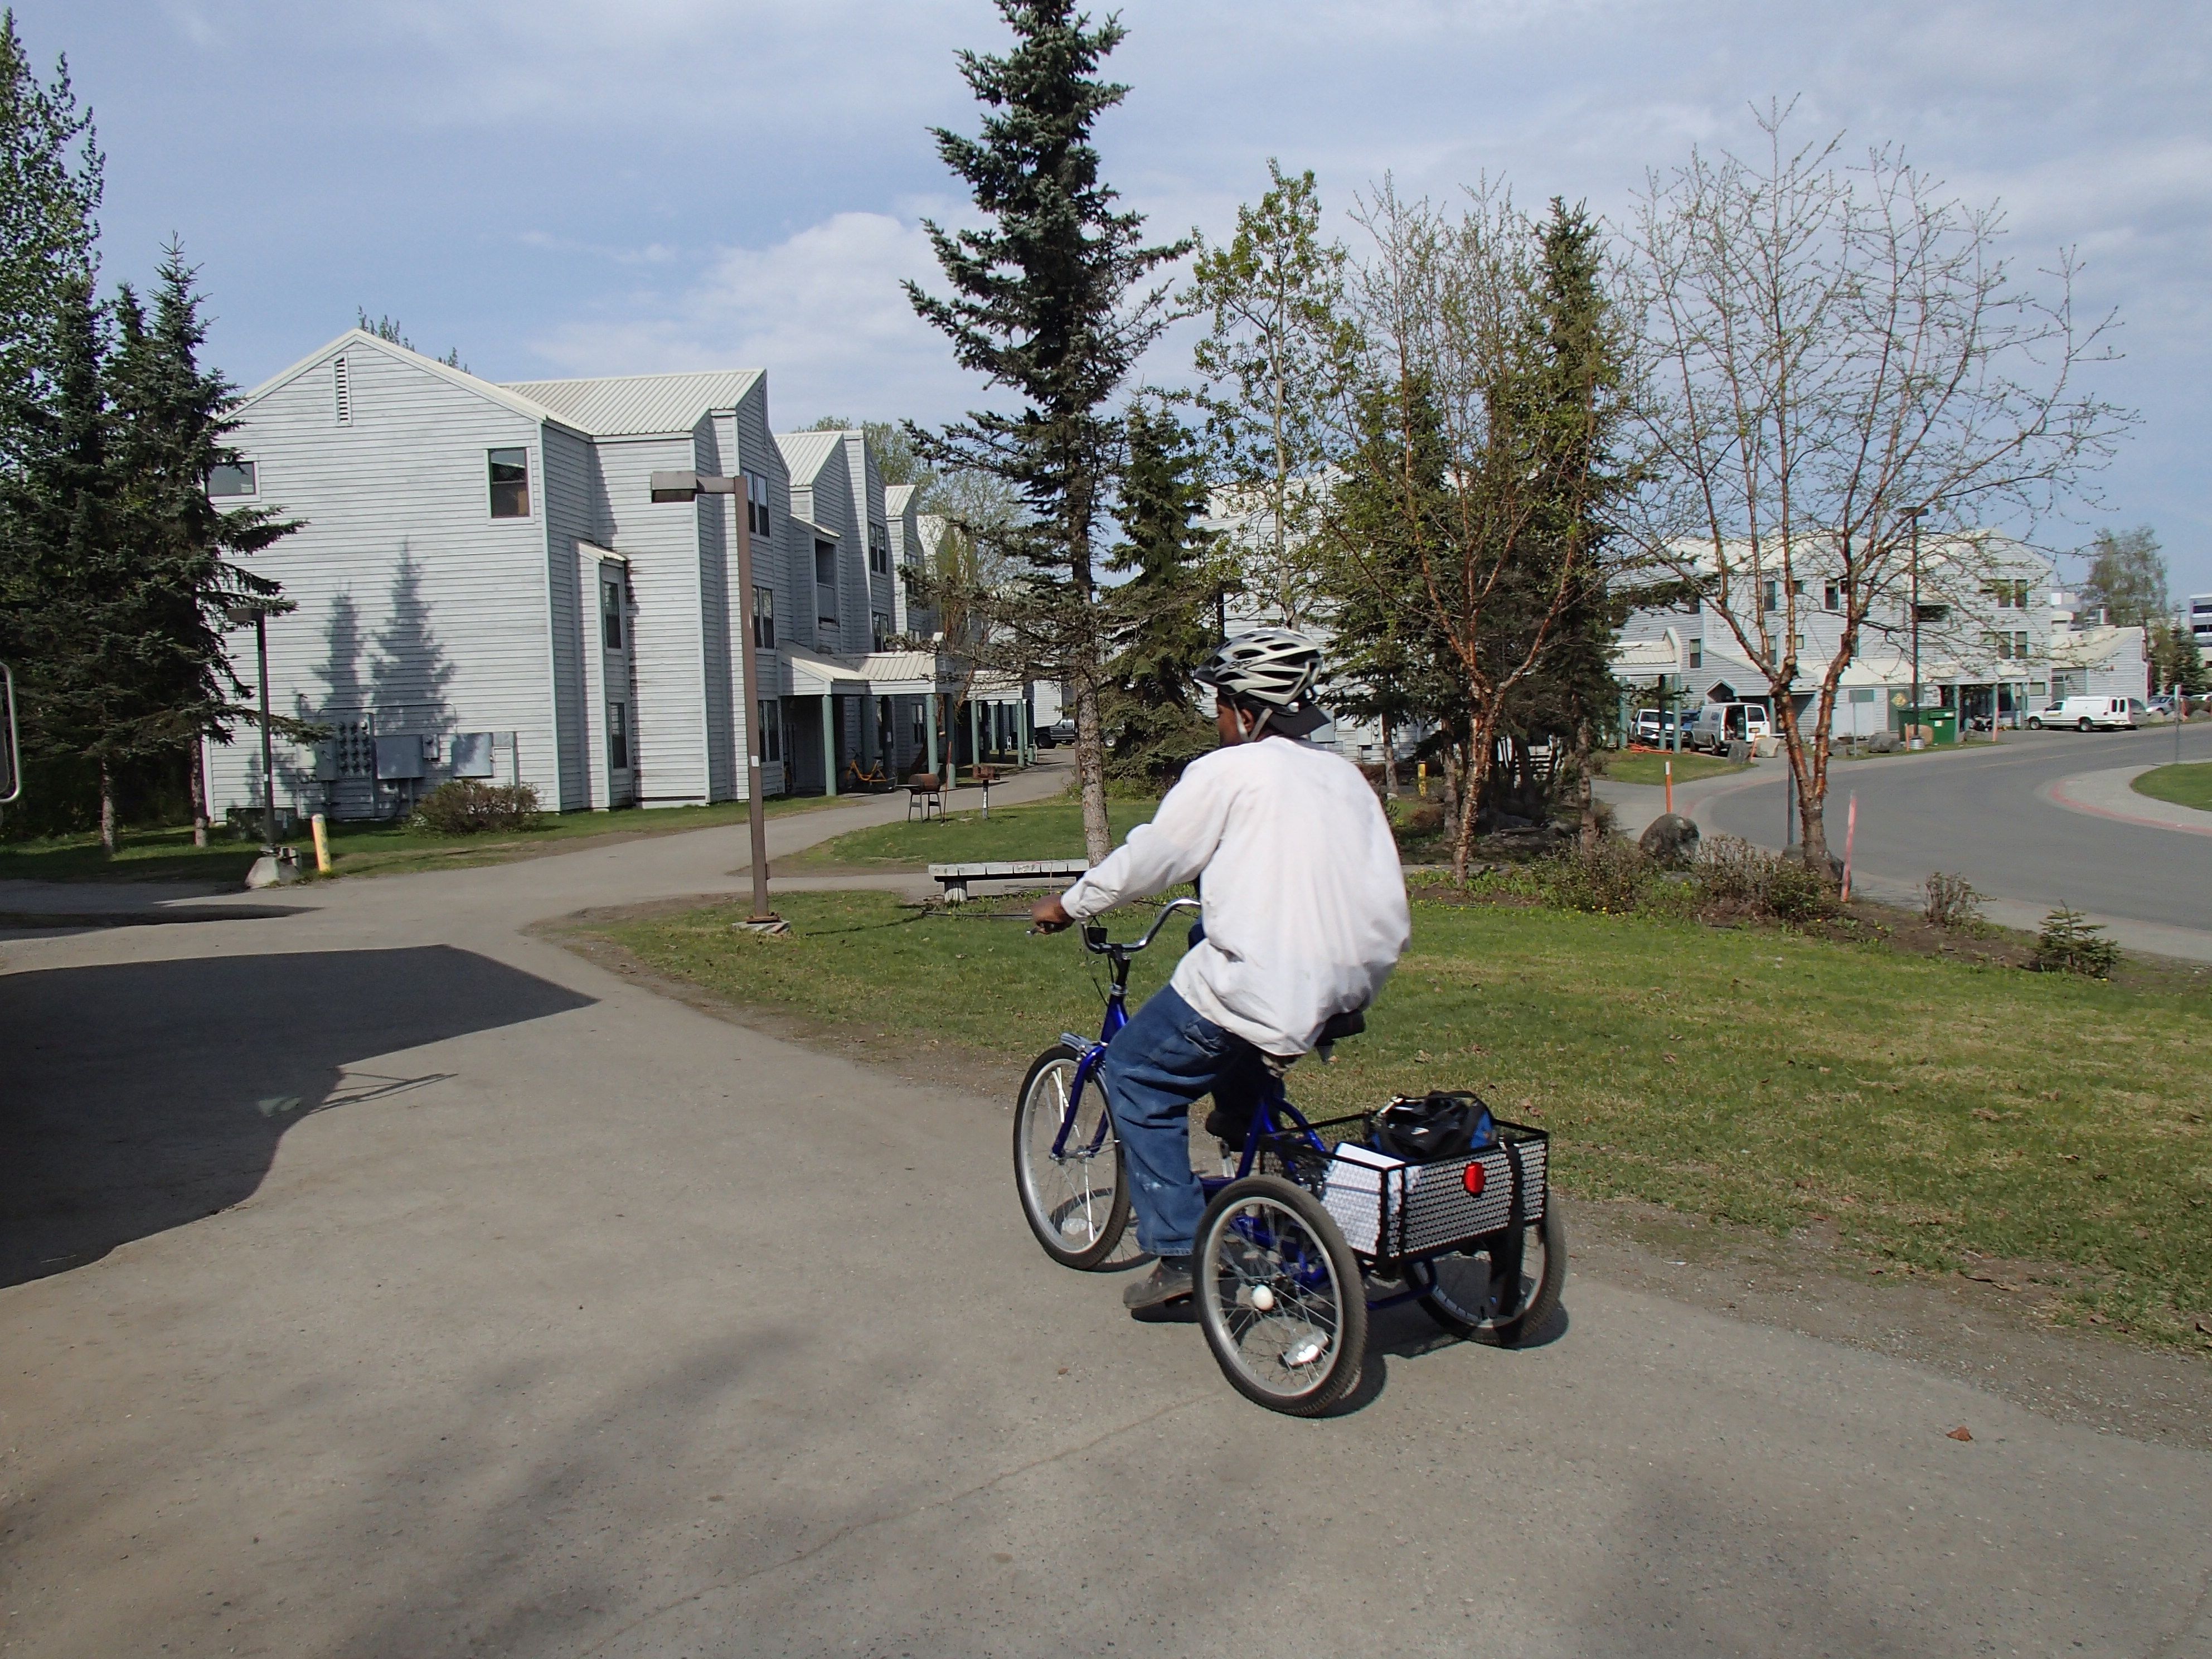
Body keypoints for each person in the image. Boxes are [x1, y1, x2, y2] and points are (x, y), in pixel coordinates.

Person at [1030, 629, 1412, 1311]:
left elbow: (1154, 858)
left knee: (1136, 1072)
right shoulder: (1342, 776)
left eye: (1221, 704)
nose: (1217, 717)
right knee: (1209, 942)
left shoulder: (1229, 771)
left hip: (1268, 983)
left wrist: (1070, 903)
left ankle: (1177, 1251)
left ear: (1248, 709)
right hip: (1353, 975)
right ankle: (1241, 1114)